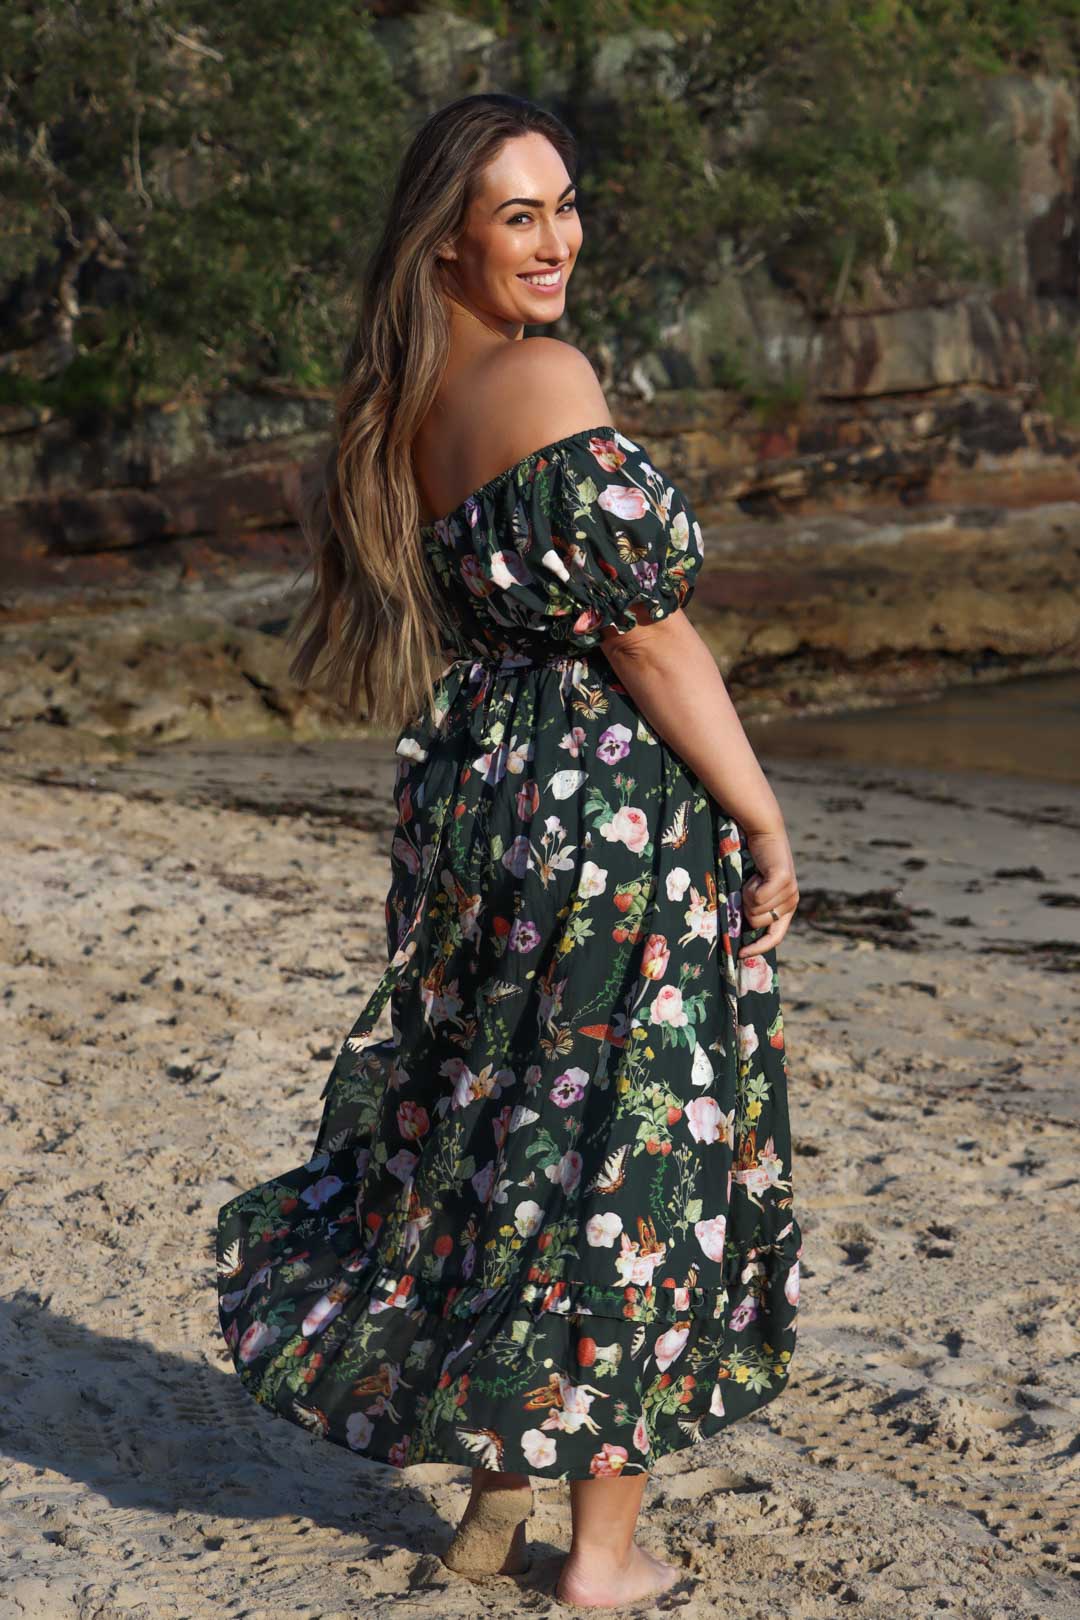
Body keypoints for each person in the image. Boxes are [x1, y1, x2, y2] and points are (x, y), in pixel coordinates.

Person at [215, 92, 803, 1610]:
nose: (557, 241)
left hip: (490, 799)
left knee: (514, 1131)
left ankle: (496, 1496)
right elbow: (648, 638)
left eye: (566, 205)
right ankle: (601, 1557)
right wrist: (760, 813)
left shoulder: (412, 400)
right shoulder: (546, 376)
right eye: (518, 215)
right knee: (632, 1150)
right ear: (449, 241)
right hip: (604, 806)